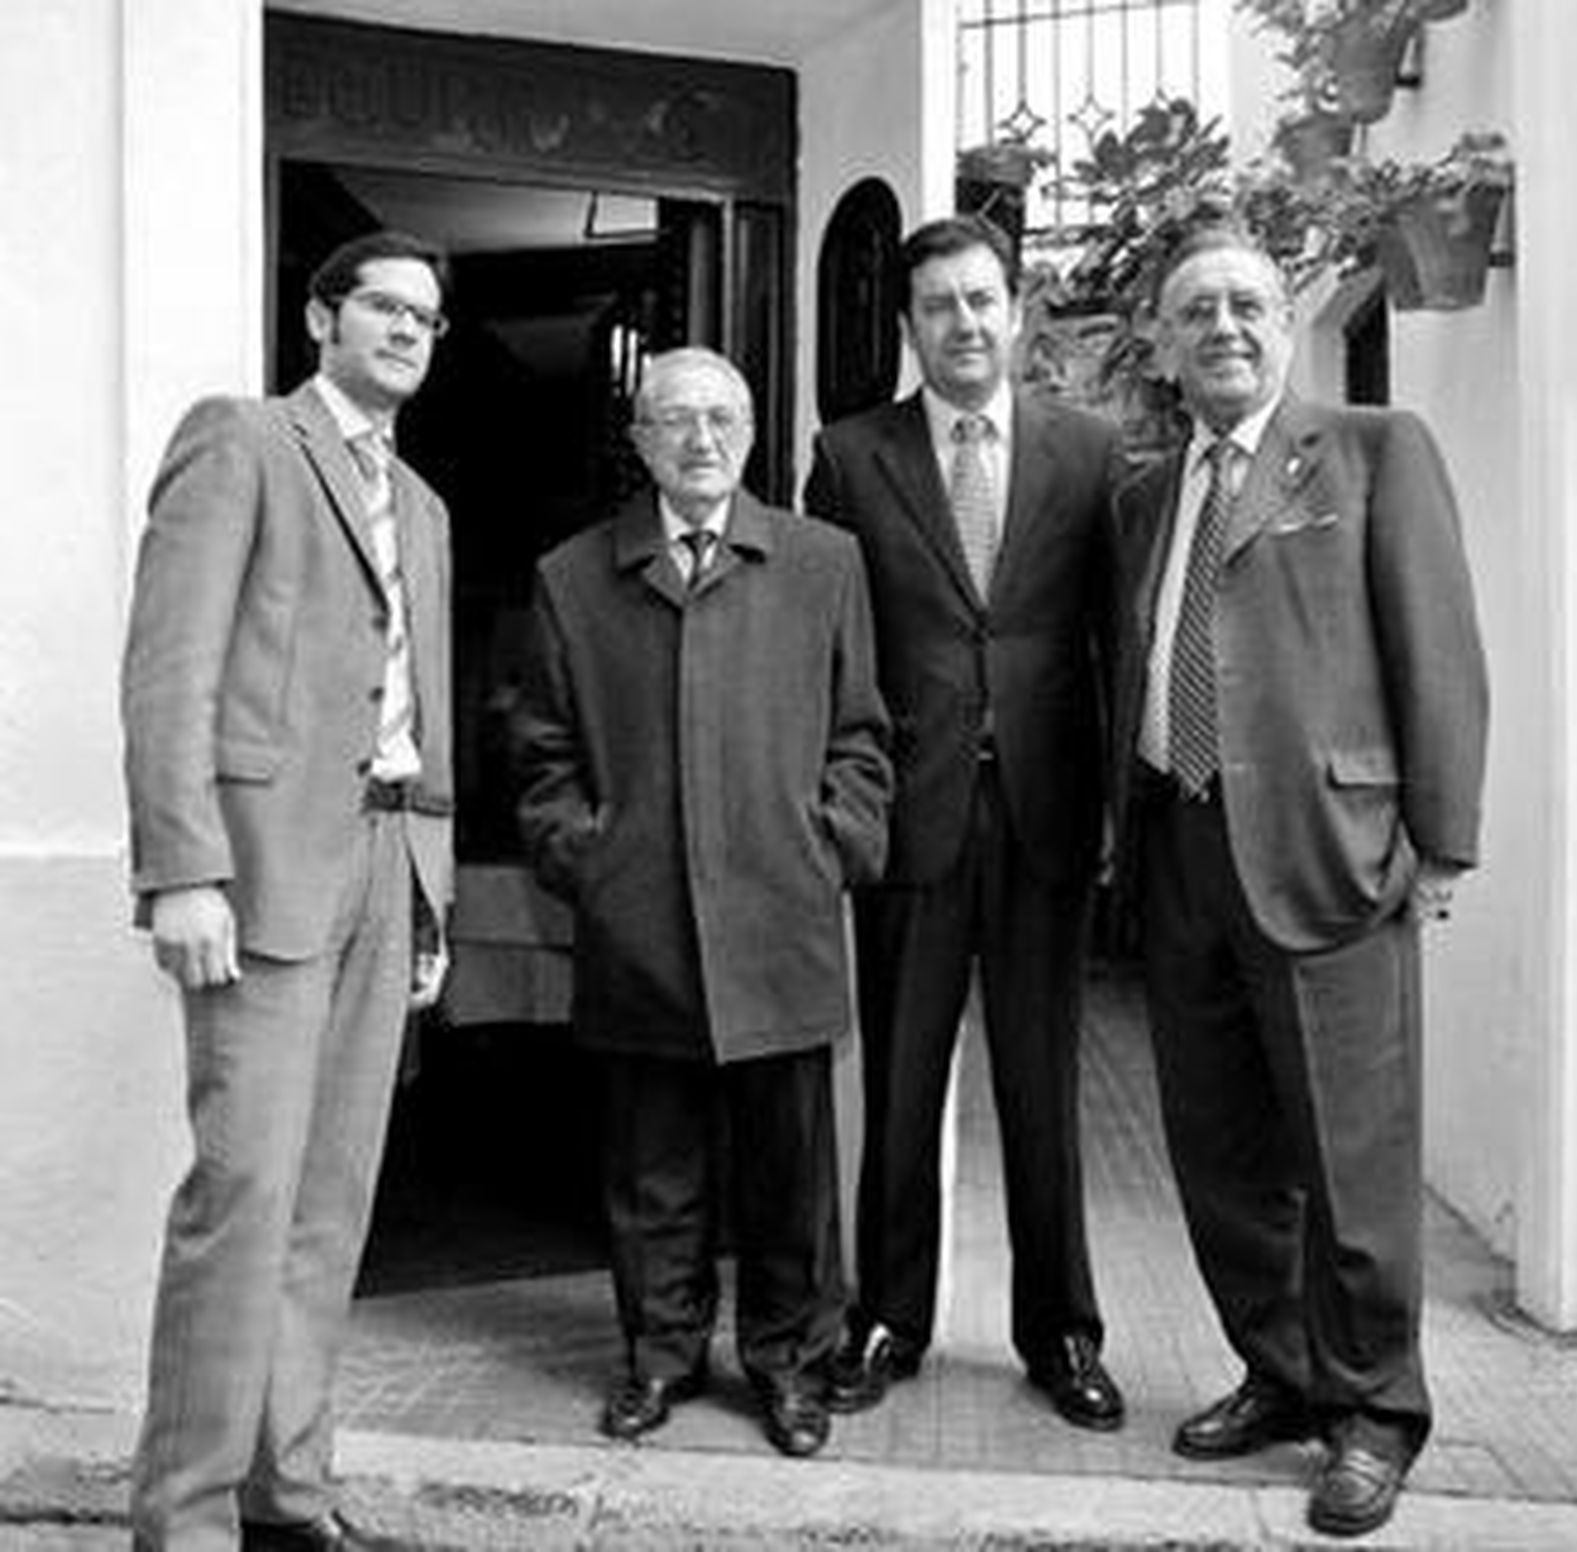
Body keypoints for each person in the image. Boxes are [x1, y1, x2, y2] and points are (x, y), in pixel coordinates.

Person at [1110, 225, 1488, 1538]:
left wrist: (1437, 844)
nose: (1222, 324)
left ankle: (1374, 1412)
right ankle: (1279, 1375)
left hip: (1333, 860)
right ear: (1161, 345)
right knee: (1219, 1152)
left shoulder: (1375, 453)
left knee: (1353, 1158)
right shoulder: (1148, 492)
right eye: (1194, 309)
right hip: (1181, 847)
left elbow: (1437, 651)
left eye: (1246, 303)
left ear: (1283, 322)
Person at [121, 230, 455, 1552]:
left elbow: (418, 716)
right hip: (256, 878)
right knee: (242, 1202)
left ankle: (287, 1499)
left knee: (331, 1208)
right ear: (323, 316)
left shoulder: (423, 504)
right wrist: (182, 871)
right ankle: (185, 1521)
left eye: (427, 317)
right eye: (383, 304)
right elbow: (169, 668)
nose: (409, 330)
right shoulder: (244, 441)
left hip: (385, 870)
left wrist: (430, 894)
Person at [518, 347, 891, 1460]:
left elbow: (861, 735)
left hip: (783, 917)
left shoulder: (824, 563)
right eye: (673, 419)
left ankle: (789, 1364)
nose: (698, 438)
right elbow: (539, 753)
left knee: (792, 1177)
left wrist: (830, 845)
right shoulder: (572, 577)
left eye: (721, 416)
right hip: (639, 926)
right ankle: (659, 1356)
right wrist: (591, 859)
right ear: (638, 440)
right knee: (654, 1171)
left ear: (751, 431)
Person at [803, 214, 1123, 1429]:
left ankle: (1061, 1333)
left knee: (1043, 1089)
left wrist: (1115, 817)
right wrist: (839, 804)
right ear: (909, 325)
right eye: (938, 305)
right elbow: (824, 645)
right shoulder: (849, 457)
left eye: (982, 299)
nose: (965, 323)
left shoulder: (1090, 454)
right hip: (908, 820)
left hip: (1045, 813)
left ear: (1018, 307)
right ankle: (888, 1318)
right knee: (899, 1077)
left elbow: (1117, 638)